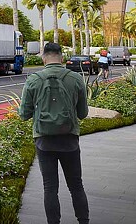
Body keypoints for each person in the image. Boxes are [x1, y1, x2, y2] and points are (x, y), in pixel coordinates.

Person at [19, 42, 89, 224]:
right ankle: (83, 221)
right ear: (62, 58)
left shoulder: (34, 80)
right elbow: (83, 113)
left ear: (43, 58)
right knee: (76, 186)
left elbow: (23, 115)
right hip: (70, 140)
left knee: (50, 188)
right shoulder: (75, 78)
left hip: (44, 141)